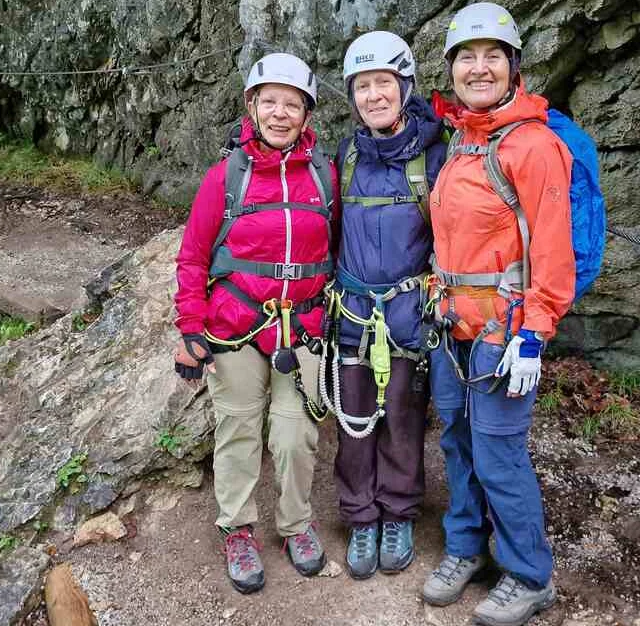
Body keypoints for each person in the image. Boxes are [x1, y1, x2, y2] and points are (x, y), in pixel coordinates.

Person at [421, 2, 574, 626]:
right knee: (457, 442)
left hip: (503, 331)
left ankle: (529, 573)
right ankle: (465, 549)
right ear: (452, 69)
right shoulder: (462, 141)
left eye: (492, 57)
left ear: (514, 67)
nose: (478, 69)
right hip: (452, 325)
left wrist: (535, 333)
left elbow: (553, 250)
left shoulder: (533, 146)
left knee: (499, 453)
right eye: (466, 57)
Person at [173, 52, 336, 594]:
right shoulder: (227, 177)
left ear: (307, 115)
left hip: (303, 326)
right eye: (270, 102)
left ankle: (294, 524)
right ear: (252, 107)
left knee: (295, 435)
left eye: (293, 104)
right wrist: (190, 328)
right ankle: (238, 529)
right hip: (235, 324)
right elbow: (194, 257)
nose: (281, 113)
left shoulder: (324, 177)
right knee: (239, 428)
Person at [324, 31, 447, 579]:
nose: (374, 95)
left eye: (384, 84)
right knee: (353, 420)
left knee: (401, 419)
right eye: (363, 86)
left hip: (408, 313)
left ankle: (397, 513)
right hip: (352, 312)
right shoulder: (347, 155)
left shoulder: (433, 155)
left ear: (405, 86)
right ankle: (360, 516)